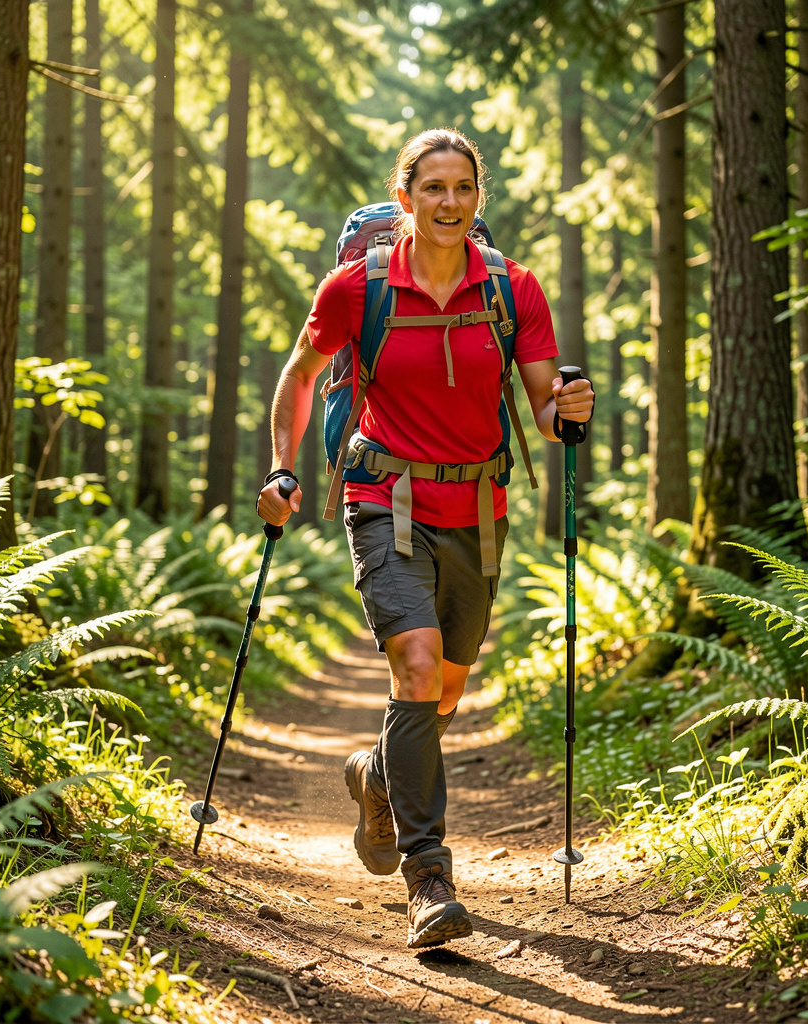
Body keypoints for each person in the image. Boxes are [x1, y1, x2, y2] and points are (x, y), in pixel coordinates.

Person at [256, 128, 594, 949]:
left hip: (477, 506)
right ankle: (429, 879)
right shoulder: (357, 288)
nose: (449, 202)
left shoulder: (512, 289)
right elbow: (300, 374)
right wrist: (280, 470)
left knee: (442, 692)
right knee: (414, 665)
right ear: (404, 197)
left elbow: (544, 410)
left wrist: (568, 408)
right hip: (384, 495)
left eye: (463, 187)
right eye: (433, 187)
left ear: (479, 198)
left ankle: (377, 773)